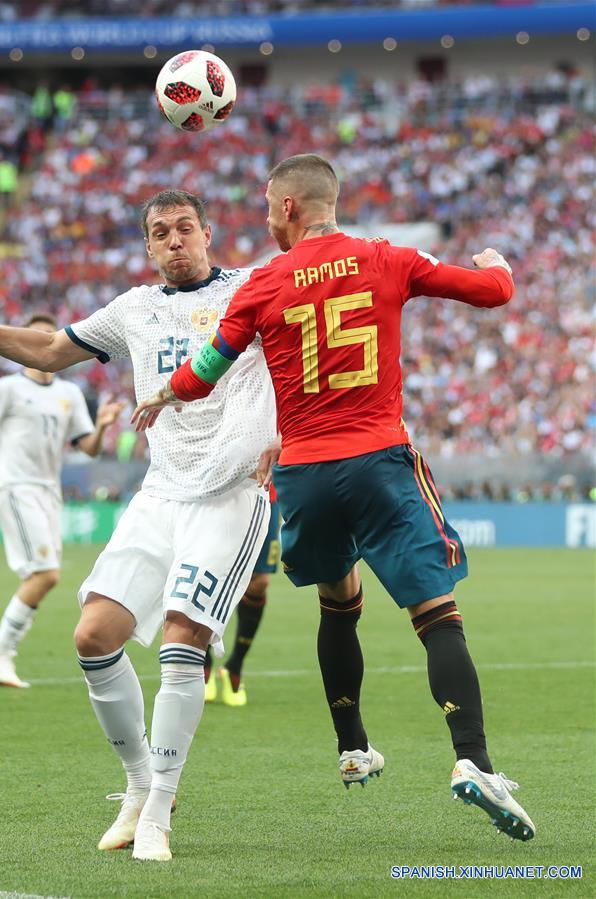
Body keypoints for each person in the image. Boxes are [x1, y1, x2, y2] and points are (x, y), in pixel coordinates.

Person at [132, 155, 536, 841]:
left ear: (289, 208)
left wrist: (165, 392)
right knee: (438, 615)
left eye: (267, 206)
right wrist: (496, 262)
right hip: (378, 459)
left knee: (338, 603)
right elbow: (493, 291)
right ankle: (473, 759)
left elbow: (206, 369)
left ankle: (352, 745)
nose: (264, 217)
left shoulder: (262, 282)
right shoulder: (387, 258)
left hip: (306, 476)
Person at [0, 188, 276, 862]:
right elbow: (48, 349)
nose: (174, 240)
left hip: (230, 491)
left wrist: (292, 431)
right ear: (146, 245)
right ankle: (139, 783)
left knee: (181, 637)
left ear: (207, 233)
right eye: (160, 231)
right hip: (160, 492)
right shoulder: (132, 309)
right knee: (92, 634)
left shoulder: (255, 286)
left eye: (185, 228)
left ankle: (161, 808)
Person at [0, 313, 122, 689]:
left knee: (40, 576)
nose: (42, 344)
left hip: (48, 492)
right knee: (45, 575)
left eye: (48, 337)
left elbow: (87, 448)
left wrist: (103, 424)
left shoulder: (69, 394)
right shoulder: (7, 388)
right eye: (35, 338)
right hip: (17, 486)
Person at [204, 486, 280, 707]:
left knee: (260, 581)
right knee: (211, 572)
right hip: (217, 491)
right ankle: (203, 660)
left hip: (265, 493)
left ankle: (234, 666)